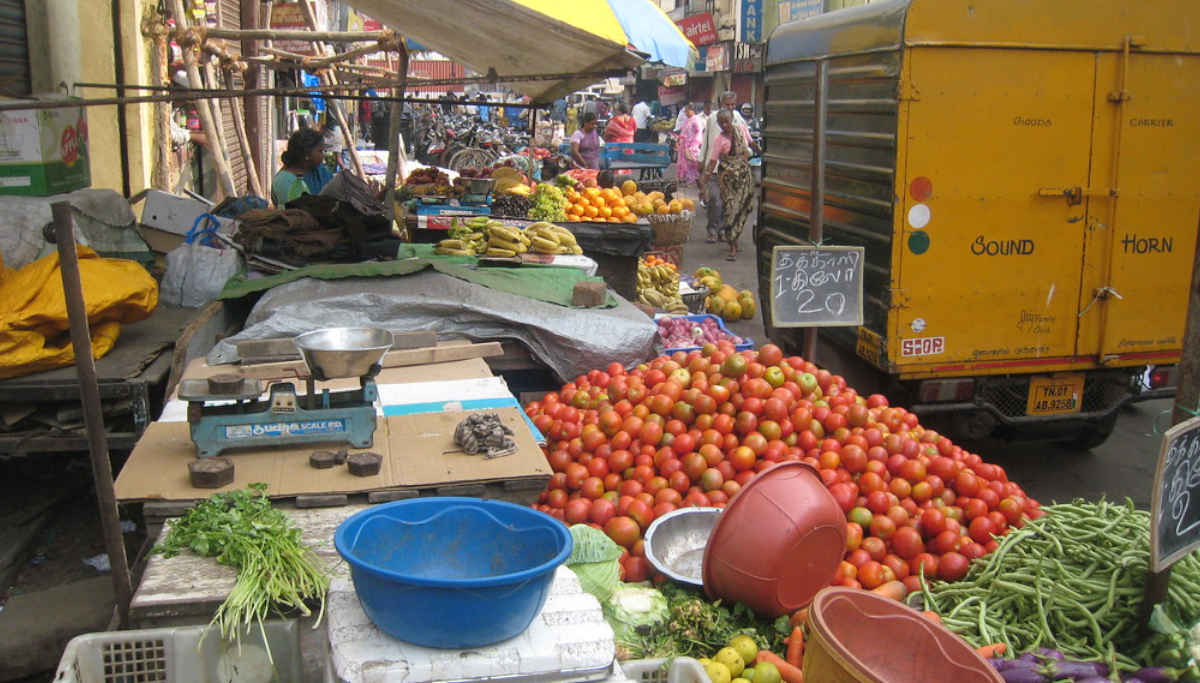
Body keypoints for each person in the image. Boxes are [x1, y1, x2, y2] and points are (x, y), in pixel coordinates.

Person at [699, 92, 755, 244]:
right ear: (720, 104)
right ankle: (712, 230)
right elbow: (706, 142)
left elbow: (747, 142)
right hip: (715, 167)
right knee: (715, 201)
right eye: (727, 105)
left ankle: (725, 230)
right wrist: (701, 161)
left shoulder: (738, 121)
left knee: (729, 204)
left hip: (734, 173)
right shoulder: (712, 119)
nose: (730, 107)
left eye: (732, 105)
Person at [272, 128, 325, 206]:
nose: (323, 155)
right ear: (307, 154)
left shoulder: (318, 171)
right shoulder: (285, 181)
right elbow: (297, 213)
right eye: (320, 151)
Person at [675, 104, 704, 185]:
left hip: (691, 145)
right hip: (684, 145)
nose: (686, 113)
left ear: (692, 110)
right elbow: (683, 131)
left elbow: (699, 133)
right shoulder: (687, 120)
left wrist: (694, 145)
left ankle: (692, 180)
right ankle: (684, 179)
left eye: (687, 111)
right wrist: (679, 139)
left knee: (691, 164)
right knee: (684, 163)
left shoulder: (696, 120)